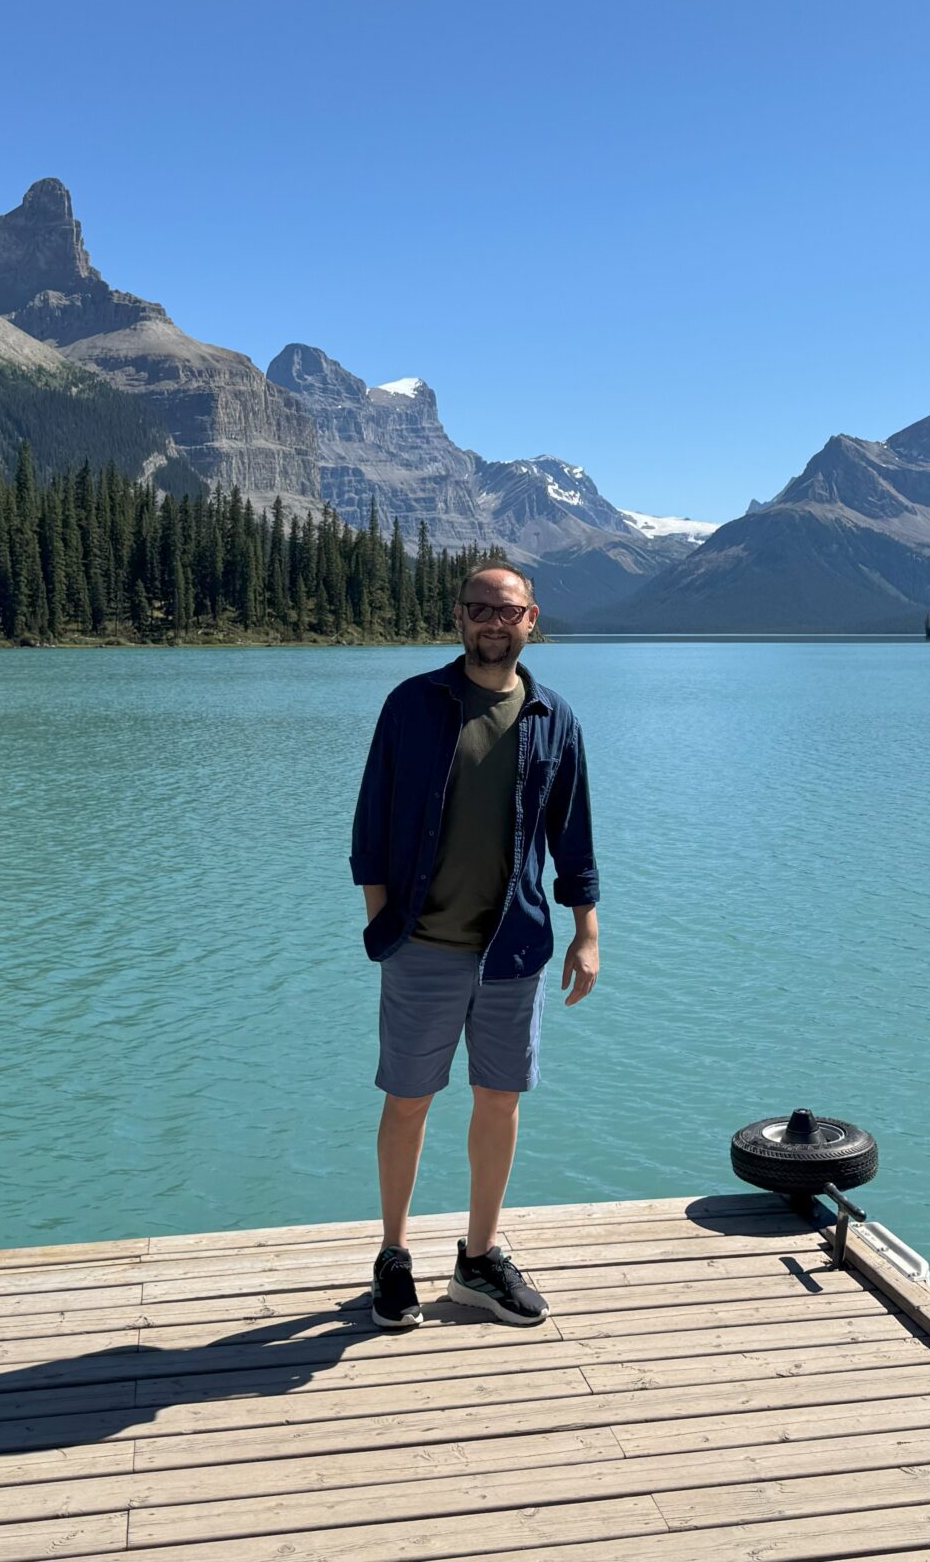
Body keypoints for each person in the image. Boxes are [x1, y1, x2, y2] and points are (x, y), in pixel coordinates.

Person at [349, 561, 599, 1331]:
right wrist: (385, 921)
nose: (494, 621)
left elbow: (574, 836)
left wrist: (587, 930)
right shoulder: (413, 704)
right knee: (409, 1100)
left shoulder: (553, 717)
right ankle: (394, 1257)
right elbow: (370, 826)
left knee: (500, 1099)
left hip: (512, 948)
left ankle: (479, 1260)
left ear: (532, 621)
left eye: (509, 610)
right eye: (479, 609)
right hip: (421, 945)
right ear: (459, 618)